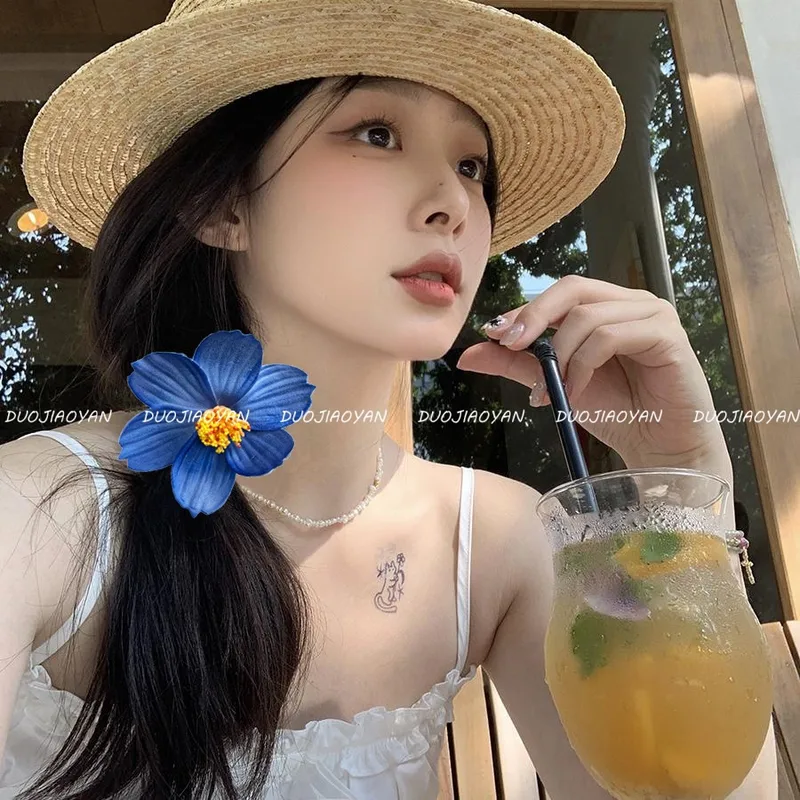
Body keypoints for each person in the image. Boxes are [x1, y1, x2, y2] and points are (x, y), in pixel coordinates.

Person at [0, 0, 777, 797]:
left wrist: (683, 480)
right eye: (377, 133)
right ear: (222, 204)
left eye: (472, 166)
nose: (454, 203)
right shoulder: (42, 512)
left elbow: (686, 785)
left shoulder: (495, 540)